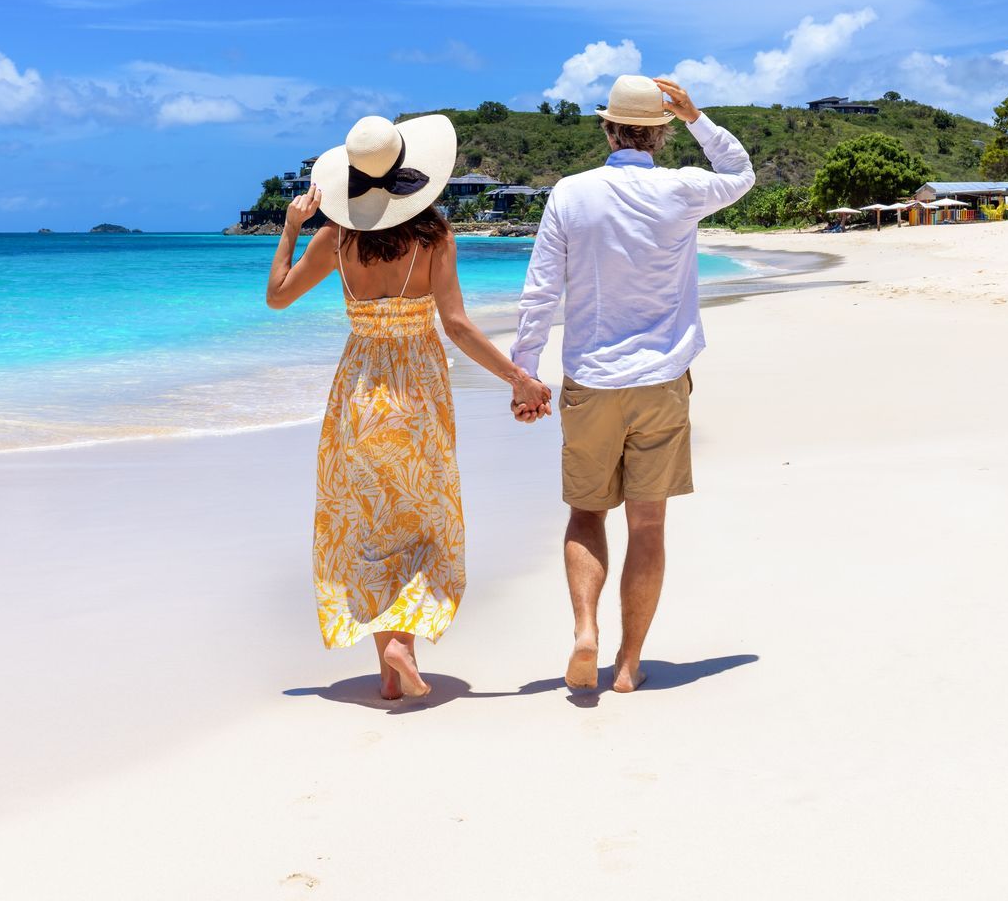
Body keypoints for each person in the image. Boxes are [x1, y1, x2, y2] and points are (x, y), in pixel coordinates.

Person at [267, 113, 550, 699]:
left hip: (357, 395)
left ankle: (389, 674)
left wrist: (293, 226)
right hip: (418, 395)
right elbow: (458, 327)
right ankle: (400, 645)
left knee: (370, 526)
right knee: (424, 523)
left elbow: (277, 298)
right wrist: (518, 379)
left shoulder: (337, 240)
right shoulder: (433, 239)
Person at [511, 75, 755, 692]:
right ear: (661, 133)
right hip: (662, 380)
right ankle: (626, 664)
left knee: (586, 514)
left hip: (590, 380)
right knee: (648, 524)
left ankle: (586, 632)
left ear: (607, 126)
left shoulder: (571, 194)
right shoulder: (682, 188)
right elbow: (740, 171)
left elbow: (542, 290)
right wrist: (698, 118)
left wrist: (524, 372)